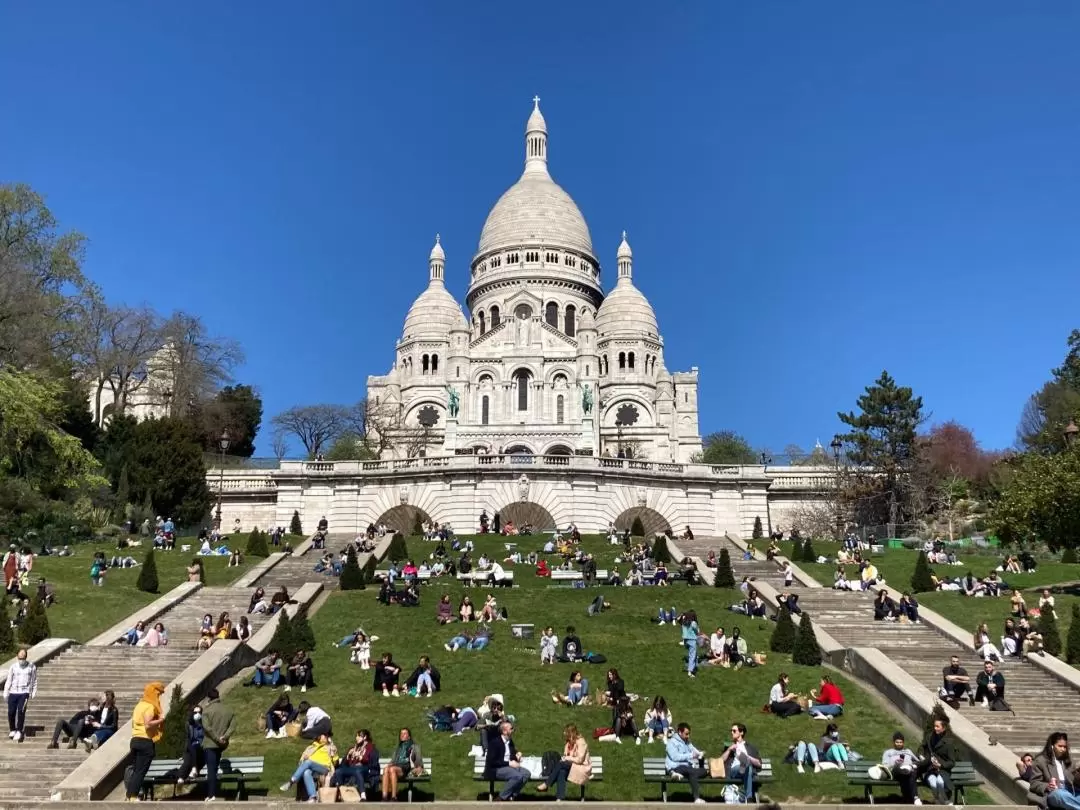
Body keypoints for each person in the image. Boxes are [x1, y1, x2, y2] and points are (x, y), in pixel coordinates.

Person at [124, 681, 165, 800]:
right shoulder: (150, 706)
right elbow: (148, 724)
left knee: (136, 770)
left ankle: (129, 795)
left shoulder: (139, 705)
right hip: (145, 741)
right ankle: (133, 796)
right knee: (140, 772)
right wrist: (161, 720)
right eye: (158, 694)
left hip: (135, 739)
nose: (159, 697)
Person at [200, 688, 236, 802]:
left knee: (211, 769)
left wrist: (216, 738)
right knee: (214, 768)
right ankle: (213, 793)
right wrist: (224, 737)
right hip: (221, 744)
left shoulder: (206, 711)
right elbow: (233, 726)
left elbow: (207, 728)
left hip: (210, 743)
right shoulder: (228, 710)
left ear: (209, 698)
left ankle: (211, 795)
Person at [1031, 732, 1080, 810]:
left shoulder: (1069, 761)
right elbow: (1034, 783)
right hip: (1053, 793)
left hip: (1070, 792)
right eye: (1060, 746)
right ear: (1052, 746)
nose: (1063, 749)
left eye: (1065, 747)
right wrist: (1047, 786)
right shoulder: (1040, 761)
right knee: (1060, 795)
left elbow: (1074, 782)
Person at [483, 720, 530, 801]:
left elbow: (511, 754)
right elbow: (492, 762)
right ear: (504, 731)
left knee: (526, 773)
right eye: (511, 728)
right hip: (496, 769)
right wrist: (509, 763)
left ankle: (512, 795)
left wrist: (517, 755)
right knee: (517, 776)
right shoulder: (495, 743)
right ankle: (501, 797)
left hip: (508, 767)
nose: (513, 730)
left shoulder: (510, 741)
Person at [280, 732, 336, 799]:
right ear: (319, 737)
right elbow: (301, 760)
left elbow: (335, 760)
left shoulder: (330, 747)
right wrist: (303, 759)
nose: (326, 737)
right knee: (306, 772)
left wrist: (332, 747)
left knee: (309, 762)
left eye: (326, 736)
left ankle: (291, 782)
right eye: (324, 736)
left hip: (324, 768)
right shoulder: (311, 747)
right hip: (312, 767)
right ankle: (313, 796)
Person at [917, 716, 958, 804]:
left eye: (937, 726)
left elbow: (952, 762)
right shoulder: (929, 737)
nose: (935, 728)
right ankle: (938, 800)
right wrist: (921, 756)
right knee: (933, 783)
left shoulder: (949, 742)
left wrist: (941, 765)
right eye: (934, 726)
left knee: (939, 781)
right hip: (930, 768)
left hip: (943, 770)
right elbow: (921, 748)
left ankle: (945, 800)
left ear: (944, 728)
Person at [664, 722, 707, 805]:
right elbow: (675, 757)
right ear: (680, 732)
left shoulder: (687, 742)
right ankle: (696, 798)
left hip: (688, 769)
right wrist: (690, 755)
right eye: (686, 734)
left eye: (689, 734)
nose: (688, 736)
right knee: (691, 771)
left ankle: (675, 775)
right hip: (677, 767)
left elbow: (694, 750)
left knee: (704, 771)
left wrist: (700, 754)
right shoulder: (671, 742)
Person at [331, 729, 379, 798]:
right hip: (352, 768)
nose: (357, 738)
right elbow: (344, 764)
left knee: (357, 771)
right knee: (339, 771)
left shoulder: (370, 748)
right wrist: (348, 756)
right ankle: (342, 792)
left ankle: (363, 795)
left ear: (365, 737)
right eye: (356, 736)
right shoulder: (353, 748)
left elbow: (371, 762)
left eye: (359, 736)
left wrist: (360, 757)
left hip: (365, 769)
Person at [4, 648, 38, 743]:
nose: (21, 658)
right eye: (20, 656)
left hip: (24, 692)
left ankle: (19, 730)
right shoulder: (13, 667)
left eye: (23, 656)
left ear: (26, 657)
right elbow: (9, 680)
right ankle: (12, 729)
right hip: (13, 692)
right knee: (11, 712)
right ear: (17, 656)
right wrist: (6, 691)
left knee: (21, 710)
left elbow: (34, 679)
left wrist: (34, 690)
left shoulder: (31, 667)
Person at [721, 723, 762, 799]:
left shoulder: (750, 747)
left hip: (747, 771)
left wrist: (748, 757)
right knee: (747, 765)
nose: (732, 732)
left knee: (748, 765)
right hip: (734, 771)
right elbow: (721, 760)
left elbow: (759, 764)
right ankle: (749, 797)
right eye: (731, 731)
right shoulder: (729, 746)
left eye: (734, 731)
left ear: (741, 732)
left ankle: (744, 763)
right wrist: (729, 749)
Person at [382, 727, 423, 800]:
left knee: (392, 769)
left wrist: (419, 767)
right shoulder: (398, 748)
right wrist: (390, 764)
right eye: (401, 733)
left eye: (404, 733)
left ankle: (394, 796)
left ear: (409, 736)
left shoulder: (414, 746)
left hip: (406, 767)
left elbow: (418, 759)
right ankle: (384, 796)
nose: (402, 735)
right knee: (386, 769)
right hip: (397, 767)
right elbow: (393, 760)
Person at [881, 730, 920, 804]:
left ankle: (911, 798)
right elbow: (885, 765)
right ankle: (915, 797)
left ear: (903, 743)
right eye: (897, 742)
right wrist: (894, 763)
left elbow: (917, 761)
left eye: (901, 742)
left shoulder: (908, 751)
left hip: (908, 770)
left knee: (909, 773)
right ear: (894, 742)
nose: (899, 744)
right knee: (901, 770)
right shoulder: (889, 752)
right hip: (895, 771)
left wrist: (912, 765)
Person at [681, 610, 700, 677]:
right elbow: (698, 632)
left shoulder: (684, 622)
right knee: (692, 656)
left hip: (686, 641)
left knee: (691, 655)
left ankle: (693, 667)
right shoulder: (693, 623)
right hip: (692, 641)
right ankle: (690, 672)